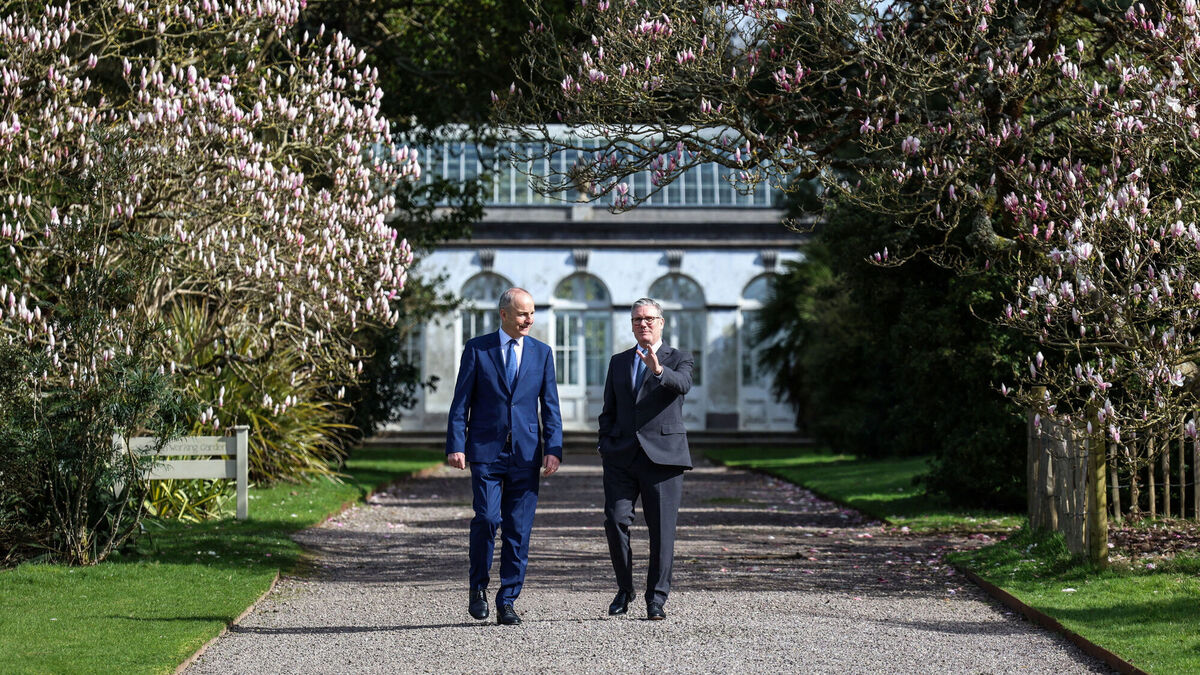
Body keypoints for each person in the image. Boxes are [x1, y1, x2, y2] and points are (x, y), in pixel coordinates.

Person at [446, 287, 562, 626]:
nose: (529, 319)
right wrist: (456, 444)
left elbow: (550, 406)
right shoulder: (477, 349)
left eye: (532, 313)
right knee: (487, 518)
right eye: (523, 313)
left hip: (526, 454)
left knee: (518, 530)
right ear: (504, 314)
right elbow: (461, 402)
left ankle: (507, 600)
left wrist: (553, 449)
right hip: (486, 451)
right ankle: (478, 588)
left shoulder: (542, 353)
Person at [597, 297, 693, 621]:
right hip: (621, 457)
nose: (643, 324)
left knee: (662, 532)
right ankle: (625, 589)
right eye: (637, 319)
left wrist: (658, 370)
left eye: (649, 318)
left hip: (664, 458)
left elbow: (683, 384)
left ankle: (656, 599)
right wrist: (605, 443)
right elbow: (609, 408)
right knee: (615, 520)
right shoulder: (619, 361)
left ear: (661, 323)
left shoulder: (679, 358)